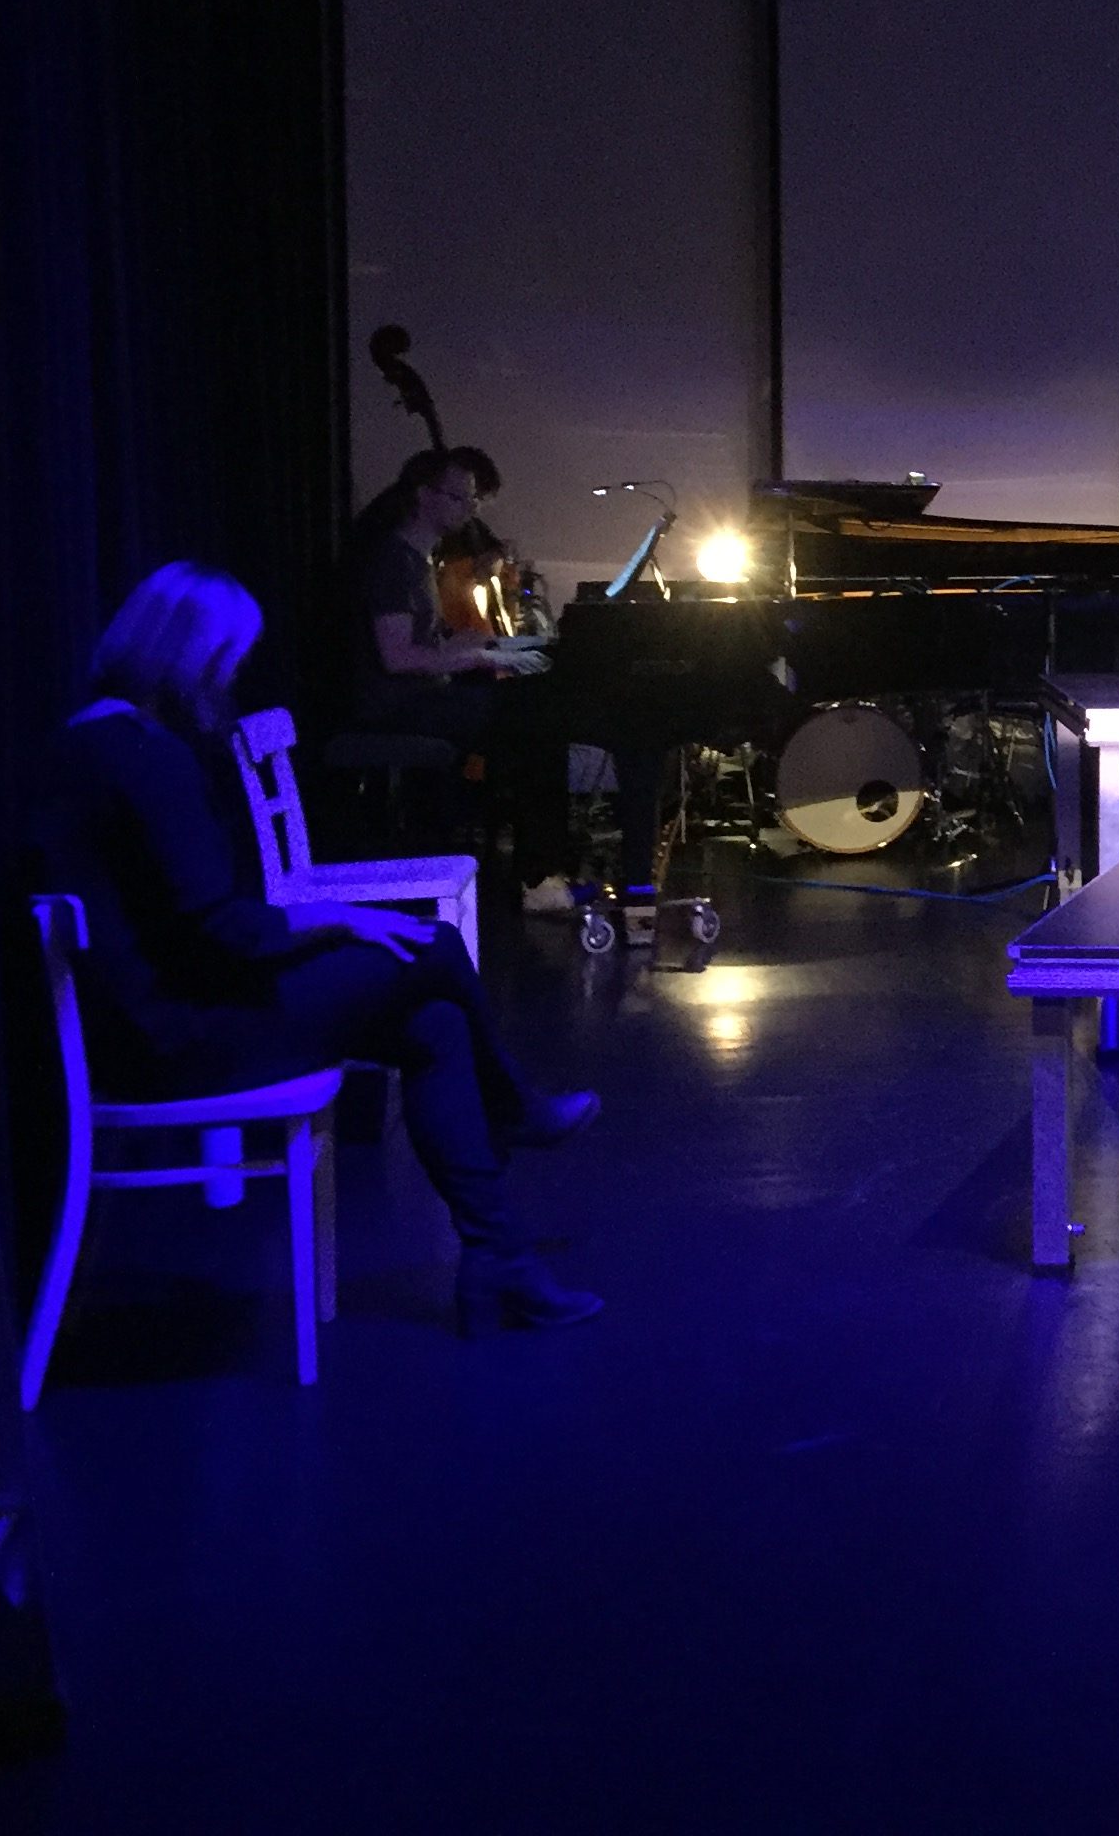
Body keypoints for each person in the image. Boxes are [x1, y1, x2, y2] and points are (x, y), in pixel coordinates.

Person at [36, 563, 603, 1332]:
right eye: (226, 659)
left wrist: (333, 924)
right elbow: (221, 928)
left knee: (434, 1025)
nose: (229, 677)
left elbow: (192, 924)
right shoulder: (144, 757)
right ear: (189, 655)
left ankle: (500, 1258)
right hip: (182, 1038)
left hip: (159, 1016)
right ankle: (515, 1111)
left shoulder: (90, 738)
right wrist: (340, 920)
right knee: (435, 945)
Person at [347, 447, 658, 921]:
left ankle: (540, 872)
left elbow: (425, 642)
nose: (470, 509)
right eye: (459, 498)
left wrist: (485, 644)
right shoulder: (394, 559)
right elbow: (397, 657)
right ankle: (538, 876)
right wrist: (476, 654)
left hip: (423, 696)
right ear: (423, 496)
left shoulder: (418, 558)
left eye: (473, 499)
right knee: (535, 718)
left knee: (537, 716)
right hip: (399, 704)